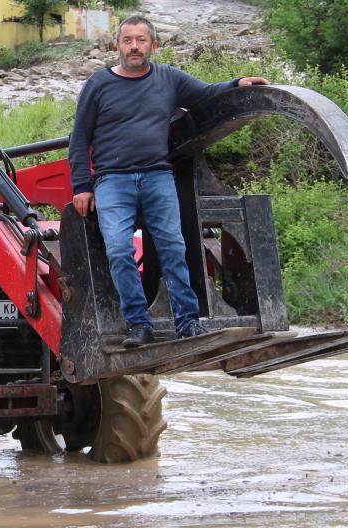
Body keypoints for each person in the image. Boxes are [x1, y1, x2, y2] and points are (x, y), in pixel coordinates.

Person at [68, 15, 269, 347]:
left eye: (141, 40)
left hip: (157, 177)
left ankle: (187, 322)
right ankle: (139, 324)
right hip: (112, 181)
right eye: (128, 40)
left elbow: (207, 94)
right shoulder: (98, 85)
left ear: (154, 45)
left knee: (174, 248)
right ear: (117, 45)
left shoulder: (168, 79)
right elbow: (79, 139)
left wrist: (236, 85)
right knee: (118, 249)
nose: (134, 46)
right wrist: (81, 186)